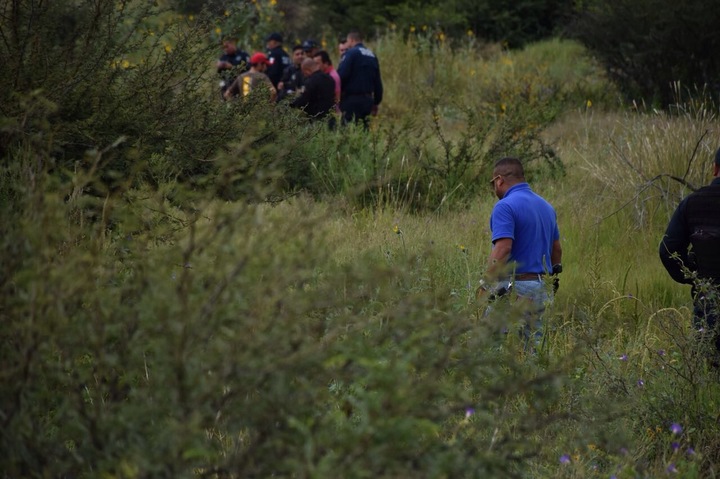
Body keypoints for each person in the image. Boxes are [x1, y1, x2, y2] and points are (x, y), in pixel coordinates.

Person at [478, 157, 563, 349]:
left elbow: (503, 249)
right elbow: (556, 251)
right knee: (536, 351)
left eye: (493, 183)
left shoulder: (505, 206)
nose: (494, 188)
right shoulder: (547, 207)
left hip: (515, 287)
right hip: (543, 289)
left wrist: (485, 284)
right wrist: (549, 282)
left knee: (490, 348)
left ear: (499, 180)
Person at [659, 147, 720, 355]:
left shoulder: (692, 203)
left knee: (707, 367)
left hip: (707, 300)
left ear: (715, 169)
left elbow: (668, 249)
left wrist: (693, 276)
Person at [336, 31, 383, 127]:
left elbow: (341, 76)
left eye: (348, 42)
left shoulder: (350, 53)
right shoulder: (372, 55)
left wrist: (337, 97)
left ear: (352, 40)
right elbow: (377, 82)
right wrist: (376, 102)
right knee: (364, 131)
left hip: (351, 100)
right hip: (367, 101)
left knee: (347, 131)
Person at [290, 58, 336, 126]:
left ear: (307, 70)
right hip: (330, 118)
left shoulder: (310, 82)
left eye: (304, 73)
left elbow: (304, 100)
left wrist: (292, 104)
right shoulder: (329, 78)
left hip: (317, 119)